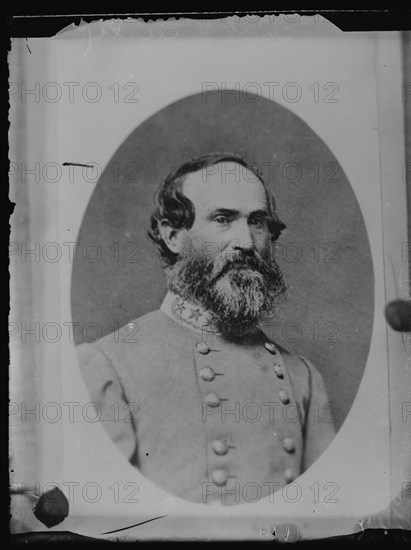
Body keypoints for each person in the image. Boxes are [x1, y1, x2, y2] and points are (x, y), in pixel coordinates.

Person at [77, 152, 335, 504]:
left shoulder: (302, 377)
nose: (245, 241)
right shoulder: (107, 365)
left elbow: (327, 516)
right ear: (173, 237)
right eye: (223, 219)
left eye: (257, 222)